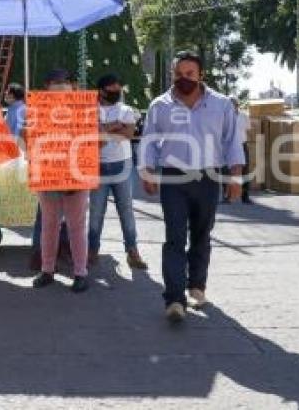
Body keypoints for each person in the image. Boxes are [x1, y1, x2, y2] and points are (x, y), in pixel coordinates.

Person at [140, 51, 245, 323]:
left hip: (209, 178)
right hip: (173, 179)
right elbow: (149, 141)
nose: (183, 79)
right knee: (174, 236)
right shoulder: (159, 106)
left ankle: (197, 285)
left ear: (201, 76)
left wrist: (235, 177)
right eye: (178, 74)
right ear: (172, 74)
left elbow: (232, 141)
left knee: (202, 233)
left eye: (189, 74)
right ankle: (174, 299)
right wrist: (147, 171)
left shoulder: (221, 105)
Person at [31, 69, 90, 293]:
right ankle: (47, 270)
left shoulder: (85, 110)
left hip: (77, 176)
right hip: (47, 175)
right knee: (49, 225)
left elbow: (92, 142)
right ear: (46, 87)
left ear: (72, 86)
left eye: (64, 83)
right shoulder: (36, 111)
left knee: (76, 227)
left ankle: (80, 272)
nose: (59, 87)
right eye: (54, 83)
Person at [87, 74, 147, 269]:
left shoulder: (126, 109)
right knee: (96, 212)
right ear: (102, 90)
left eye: (118, 87)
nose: (116, 91)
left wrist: (104, 130)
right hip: (98, 166)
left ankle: (132, 251)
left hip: (122, 164)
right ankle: (92, 250)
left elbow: (129, 134)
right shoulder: (90, 110)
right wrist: (117, 126)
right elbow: (93, 136)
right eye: (112, 88)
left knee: (126, 210)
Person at [224, 97, 251, 204]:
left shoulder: (244, 116)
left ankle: (245, 197)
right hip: (228, 145)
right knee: (227, 171)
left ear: (237, 105)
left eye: (233, 104)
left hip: (242, 144)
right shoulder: (225, 116)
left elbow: (247, 129)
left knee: (245, 170)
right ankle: (227, 196)